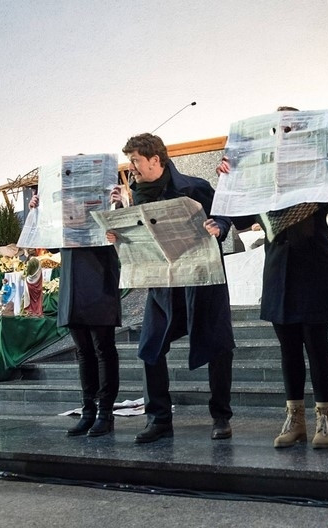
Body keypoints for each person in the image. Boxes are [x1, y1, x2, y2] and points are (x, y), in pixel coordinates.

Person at [216, 109, 328, 449]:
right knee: (288, 350)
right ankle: (295, 418)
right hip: (279, 266)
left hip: (313, 264)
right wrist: (230, 177)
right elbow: (241, 218)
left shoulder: (319, 163)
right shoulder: (261, 173)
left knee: (316, 345)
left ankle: (324, 417)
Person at [118, 132, 235, 444]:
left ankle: (221, 416)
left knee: (218, 346)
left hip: (201, 281)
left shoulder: (194, 187)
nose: (133, 168)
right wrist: (120, 237)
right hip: (163, 285)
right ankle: (158, 420)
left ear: (156, 160)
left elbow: (224, 216)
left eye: (136, 161)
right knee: (149, 348)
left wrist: (218, 226)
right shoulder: (136, 196)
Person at [28, 194, 121, 438]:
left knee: (103, 348)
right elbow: (49, 244)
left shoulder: (108, 201)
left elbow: (125, 235)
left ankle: (105, 413)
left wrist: (118, 204)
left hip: (100, 277)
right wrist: (40, 212)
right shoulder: (63, 210)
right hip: (72, 280)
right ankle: (88, 411)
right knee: (83, 351)